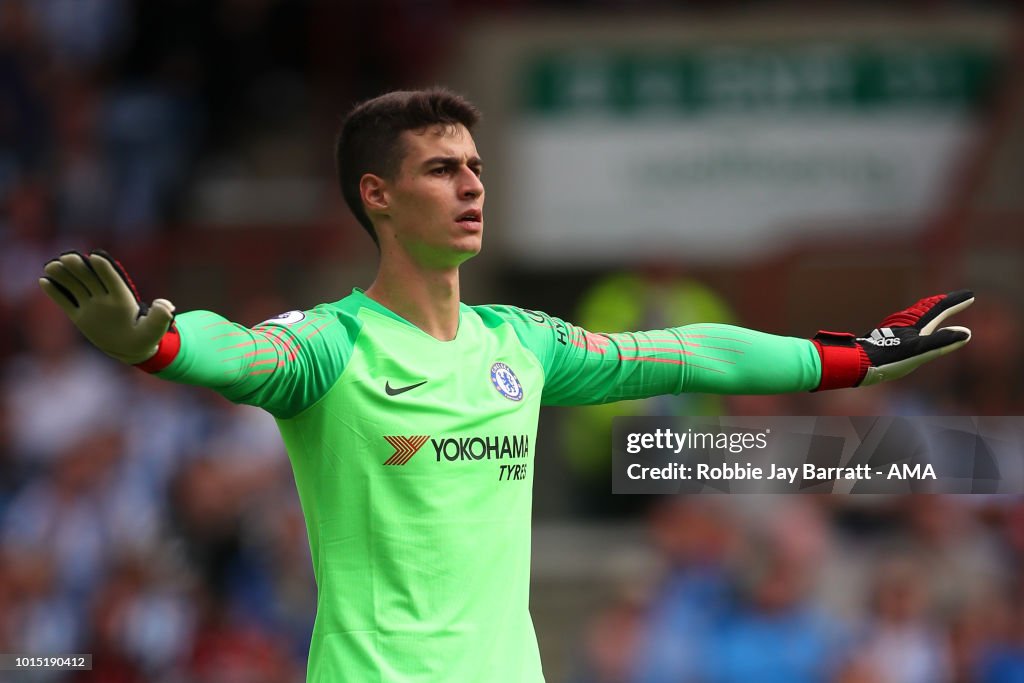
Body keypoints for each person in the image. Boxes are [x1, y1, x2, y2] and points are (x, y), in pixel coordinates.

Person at [38, 87, 974, 683]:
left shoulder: (521, 343)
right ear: (378, 195)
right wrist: (156, 345)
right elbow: (239, 352)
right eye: (442, 170)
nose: (472, 185)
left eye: (476, 167)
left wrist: (855, 356)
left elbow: (695, 352)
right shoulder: (333, 343)